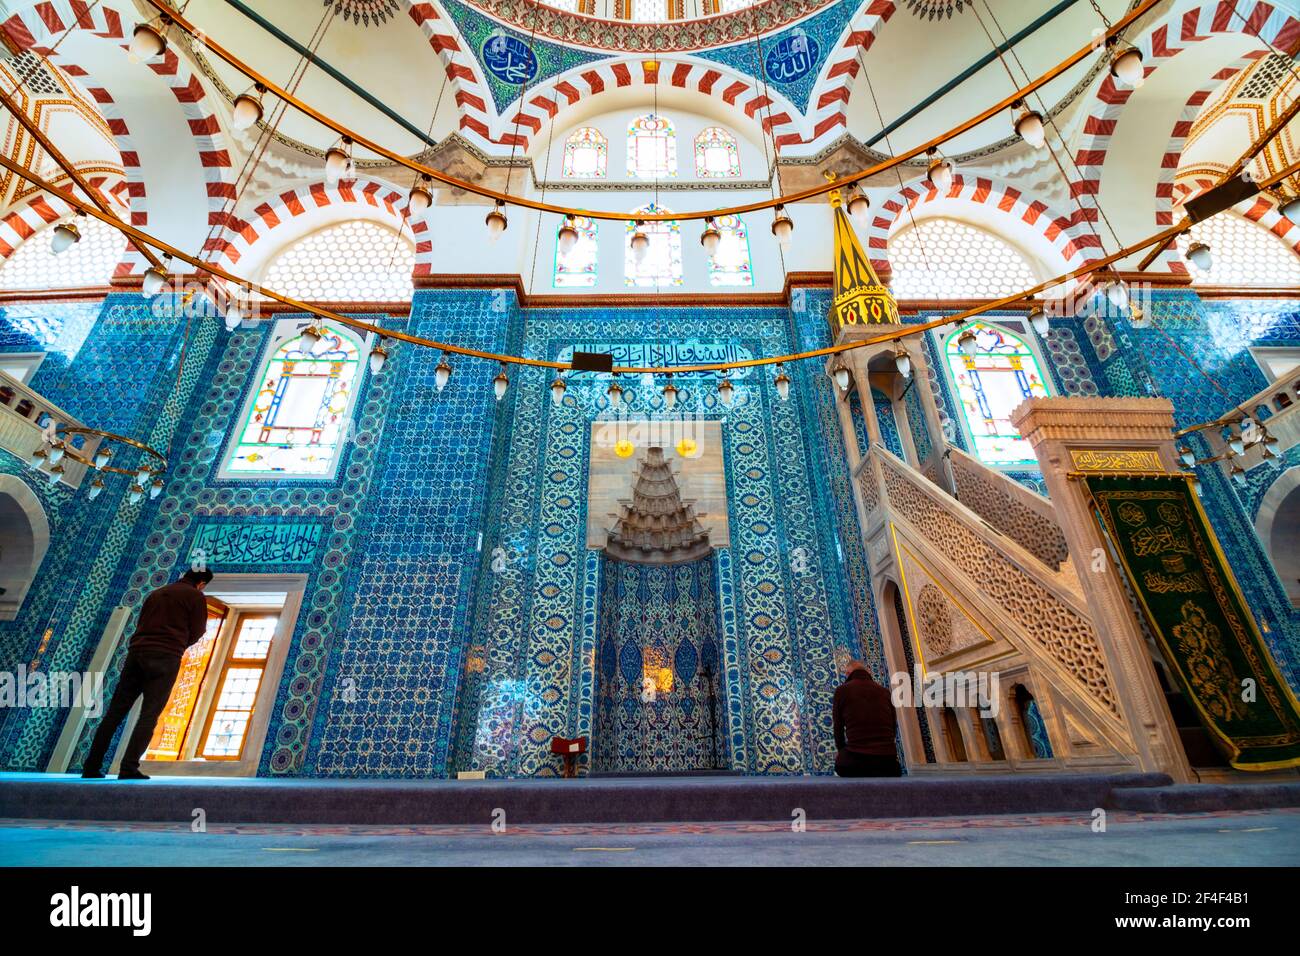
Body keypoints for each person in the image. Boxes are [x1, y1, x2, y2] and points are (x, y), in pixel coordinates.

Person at [82, 568, 214, 780]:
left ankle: (91, 767)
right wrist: (178, 644)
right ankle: (128, 768)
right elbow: (198, 630)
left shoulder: (157, 592)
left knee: (115, 712)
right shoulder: (195, 596)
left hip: (136, 653)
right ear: (202, 583)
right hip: (166, 656)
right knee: (149, 714)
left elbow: (141, 622)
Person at [832, 660, 902, 777]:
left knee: (841, 765)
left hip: (857, 763)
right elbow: (893, 726)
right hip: (888, 764)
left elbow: (838, 728)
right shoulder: (885, 692)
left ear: (848, 674)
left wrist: (841, 752)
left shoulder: (842, 690)